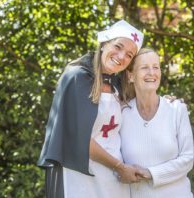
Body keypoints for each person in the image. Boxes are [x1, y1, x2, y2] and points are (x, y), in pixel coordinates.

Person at [37, 20, 145, 198]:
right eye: (118, 46)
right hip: (79, 176)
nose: (121, 56)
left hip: (113, 180)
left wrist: (166, 103)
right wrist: (119, 167)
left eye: (129, 55)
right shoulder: (77, 78)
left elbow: (143, 109)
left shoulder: (118, 86)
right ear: (104, 43)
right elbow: (78, 138)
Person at [120, 48, 194, 198]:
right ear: (131, 76)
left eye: (156, 67)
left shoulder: (176, 109)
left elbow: (187, 159)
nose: (152, 73)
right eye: (144, 67)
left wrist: (151, 174)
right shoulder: (121, 113)